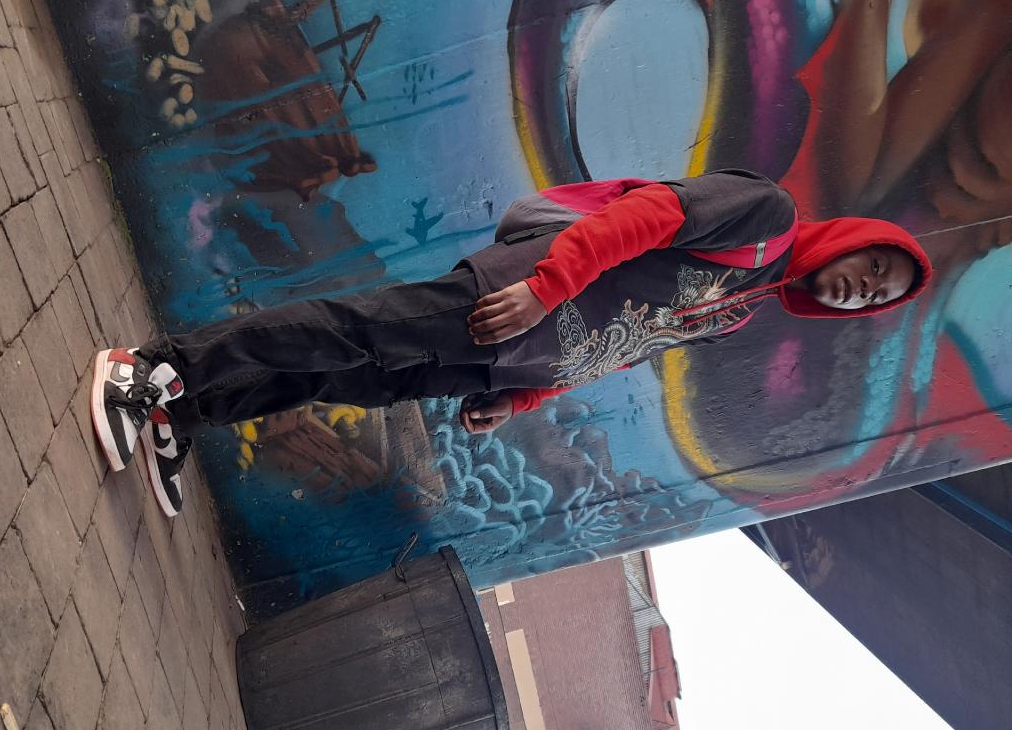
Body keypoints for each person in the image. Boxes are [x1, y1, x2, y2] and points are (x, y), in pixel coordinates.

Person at [91, 169, 932, 504]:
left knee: (343, 376)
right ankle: (150, 370)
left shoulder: (742, 307)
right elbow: (646, 217)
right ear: (856, 239)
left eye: (876, 297)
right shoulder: (766, 219)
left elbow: (628, 346)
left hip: (509, 360)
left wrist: (527, 397)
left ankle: (182, 411)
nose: (863, 288)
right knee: (346, 333)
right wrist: (545, 287)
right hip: (512, 298)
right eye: (874, 267)